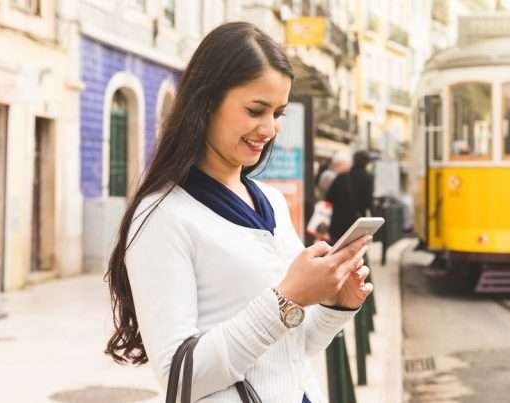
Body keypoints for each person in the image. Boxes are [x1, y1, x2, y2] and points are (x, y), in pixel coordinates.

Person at [104, 22, 373, 403]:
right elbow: (178, 380)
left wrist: (337, 303)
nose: (270, 128)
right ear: (207, 100)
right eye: (255, 110)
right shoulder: (162, 215)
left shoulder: (271, 201)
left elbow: (292, 351)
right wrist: (287, 299)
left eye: (278, 112)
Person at [325, 151, 374, 243]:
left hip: (338, 222)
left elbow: (329, 198)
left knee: (336, 249)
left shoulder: (342, 177)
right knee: (356, 249)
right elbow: (368, 202)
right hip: (357, 222)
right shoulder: (368, 177)